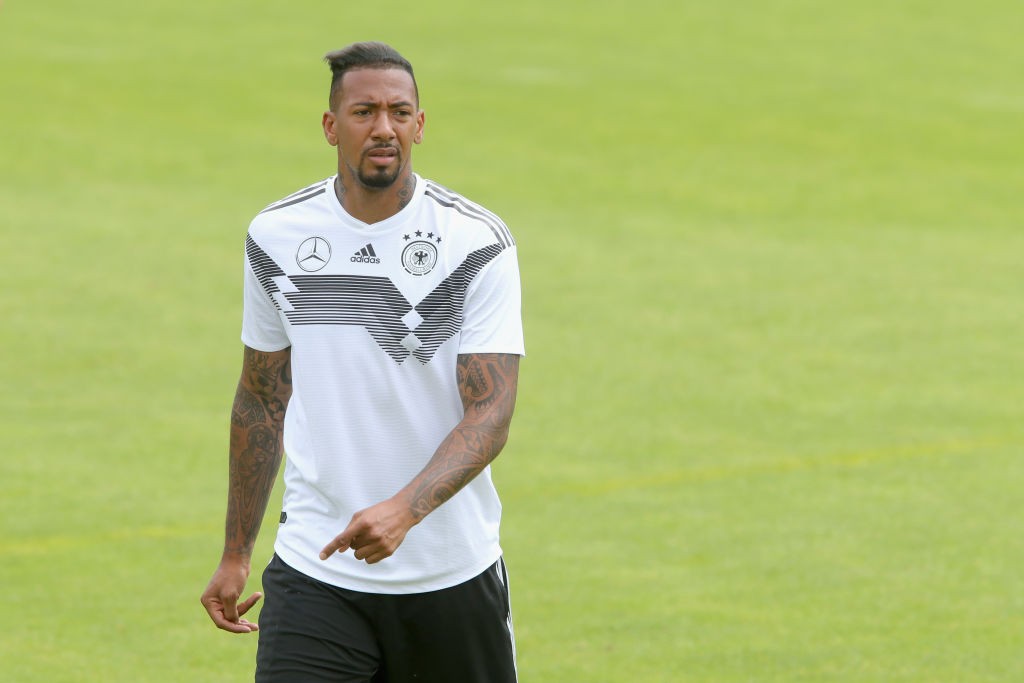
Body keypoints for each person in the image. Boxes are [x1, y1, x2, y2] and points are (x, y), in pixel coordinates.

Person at [200, 41, 525, 682]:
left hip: (449, 572)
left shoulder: (475, 243)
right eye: (364, 112)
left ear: (420, 126)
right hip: (315, 569)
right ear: (330, 126)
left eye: (400, 112)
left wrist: (404, 510)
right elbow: (262, 394)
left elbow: (491, 410)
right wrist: (237, 551)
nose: (384, 128)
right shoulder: (277, 236)